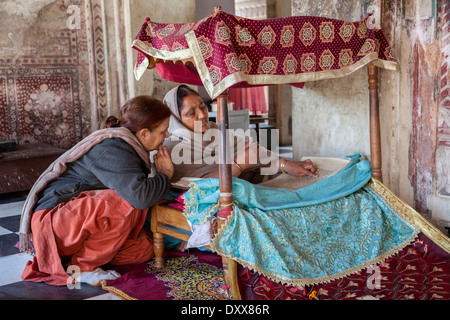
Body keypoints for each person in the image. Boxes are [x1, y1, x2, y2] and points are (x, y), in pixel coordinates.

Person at [20, 95, 174, 286]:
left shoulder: (129, 146)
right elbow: (139, 197)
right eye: (163, 131)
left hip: (74, 223)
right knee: (124, 201)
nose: (167, 136)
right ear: (143, 134)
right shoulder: (114, 148)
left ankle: (74, 258)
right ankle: (82, 268)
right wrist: (165, 174)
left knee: (143, 249)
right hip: (53, 223)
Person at [163, 84, 317, 183]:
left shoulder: (214, 130)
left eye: (202, 107)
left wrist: (286, 165)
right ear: (176, 119)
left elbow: (254, 151)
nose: (202, 115)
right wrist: (239, 164)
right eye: (191, 113)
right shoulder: (173, 148)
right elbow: (205, 186)